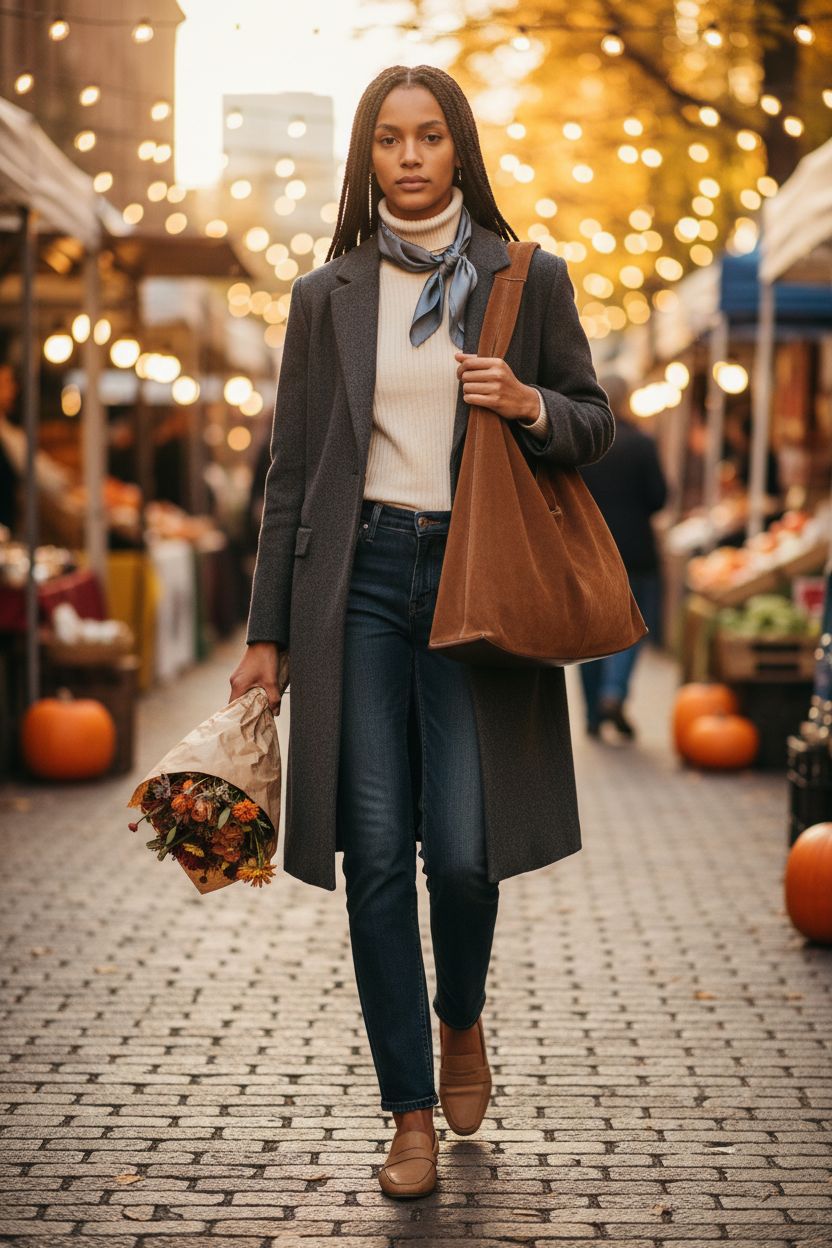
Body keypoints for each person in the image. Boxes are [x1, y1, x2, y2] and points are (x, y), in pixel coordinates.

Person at [228, 64, 614, 1199]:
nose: (408, 156)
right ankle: (406, 1112)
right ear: (368, 156)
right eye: (389, 138)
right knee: (379, 859)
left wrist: (528, 403)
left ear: (458, 151)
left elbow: (592, 421)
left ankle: (460, 1018)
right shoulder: (323, 296)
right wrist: (267, 634)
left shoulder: (520, 278)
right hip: (353, 589)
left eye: (428, 137)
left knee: (461, 849)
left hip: (474, 581)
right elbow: (290, 477)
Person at [578, 374, 668, 739]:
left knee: (591, 635)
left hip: (590, 551)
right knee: (632, 630)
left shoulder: (585, 443)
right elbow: (660, 497)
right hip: (636, 552)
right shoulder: (642, 444)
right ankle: (613, 694)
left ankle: (592, 715)